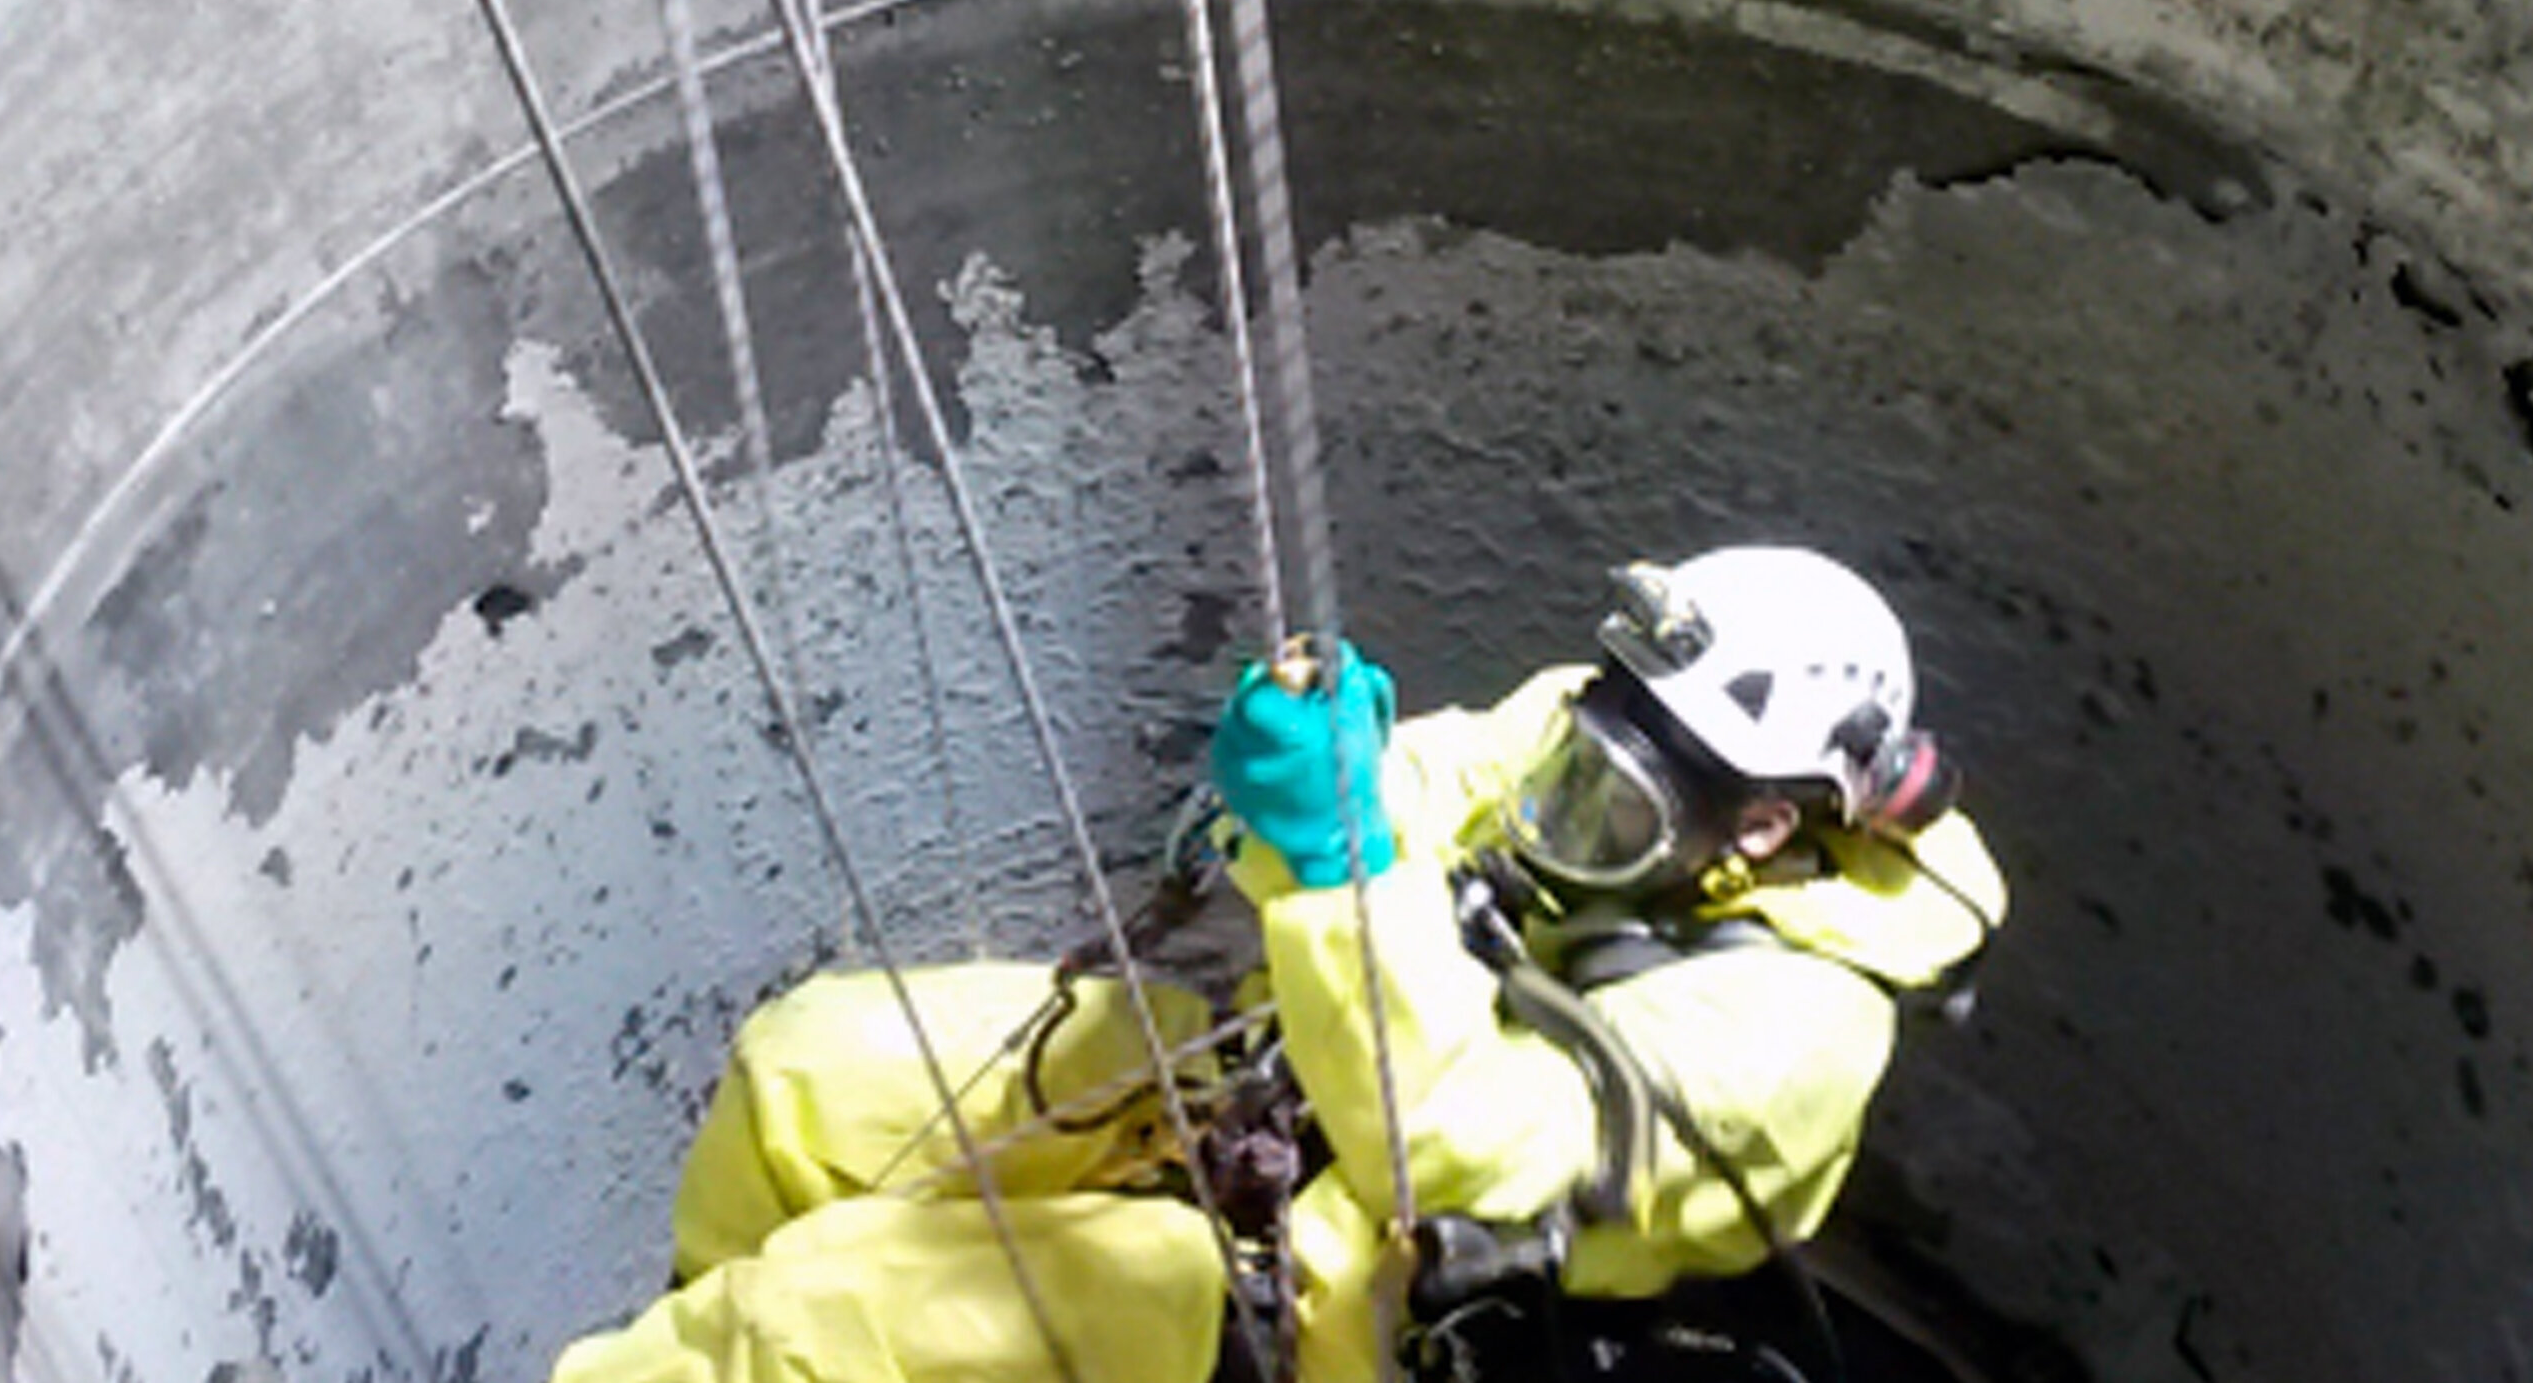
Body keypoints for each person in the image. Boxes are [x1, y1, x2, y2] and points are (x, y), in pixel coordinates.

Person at [552, 546, 2005, 1383]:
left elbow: (1459, 1154)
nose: (1570, 805)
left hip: (1352, 1310)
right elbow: (1442, 785)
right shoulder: (1601, 724)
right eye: (1584, 763)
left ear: (1761, 827)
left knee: (852, 1313)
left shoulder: (1797, 1040)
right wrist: (1344, 790)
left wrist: (1344, 873)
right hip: (1284, 1089)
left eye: (1616, 806)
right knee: (813, 1072)